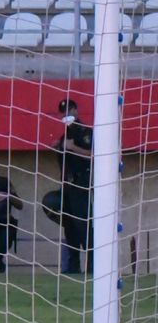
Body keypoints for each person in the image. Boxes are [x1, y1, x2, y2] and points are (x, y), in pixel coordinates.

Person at [46, 98, 92, 275]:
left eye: (69, 111)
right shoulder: (66, 134)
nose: (66, 115)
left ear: (75, 111)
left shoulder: (85, 131)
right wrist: (59, 146)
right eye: (63, 113)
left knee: (83, 225)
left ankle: (92, 265)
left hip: (81, 185)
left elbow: (93, 154)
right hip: (68, 186)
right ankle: (73, 266)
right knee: (70, 226)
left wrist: (72, 148)